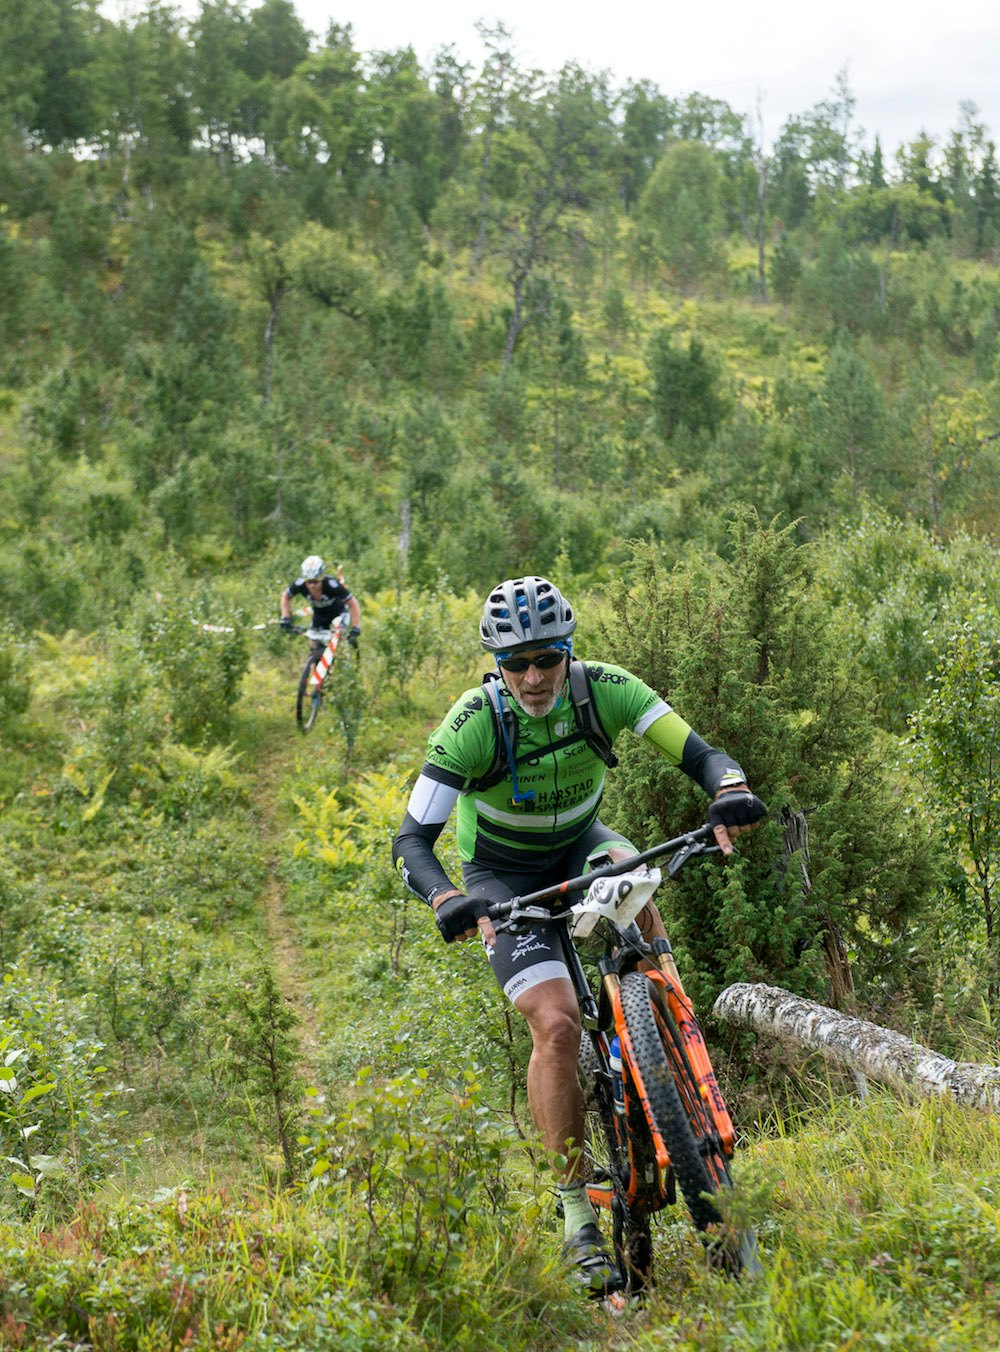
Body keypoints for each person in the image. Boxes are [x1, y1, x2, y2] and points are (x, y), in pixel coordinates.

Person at [392, 575, 766, 1298]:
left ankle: (670, 1046)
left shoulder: (606, 690)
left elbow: (700, 754)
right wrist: (446, 895)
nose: (534, 678)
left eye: (547, 659)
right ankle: (574, 1217)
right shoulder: (473, 723)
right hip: (502, 877)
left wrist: (727, 791)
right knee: (557, 1027)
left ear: (568, 652)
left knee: (634, 875)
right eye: (516, 664)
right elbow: (413, 837)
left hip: (583, 847)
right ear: (497, 667)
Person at [279, 555, 361, 653]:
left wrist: (356, 627)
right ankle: (314, 665)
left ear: (321, 578)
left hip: (339, 614)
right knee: (313, 645)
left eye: (315, 581)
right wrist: (285, 617)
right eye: (309, 582)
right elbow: (286, 596)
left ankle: (343, 663)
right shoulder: (300, 584)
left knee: (338, 640)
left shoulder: (332, 585)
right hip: (320, 615)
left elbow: (353, 603)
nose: (312, 586)